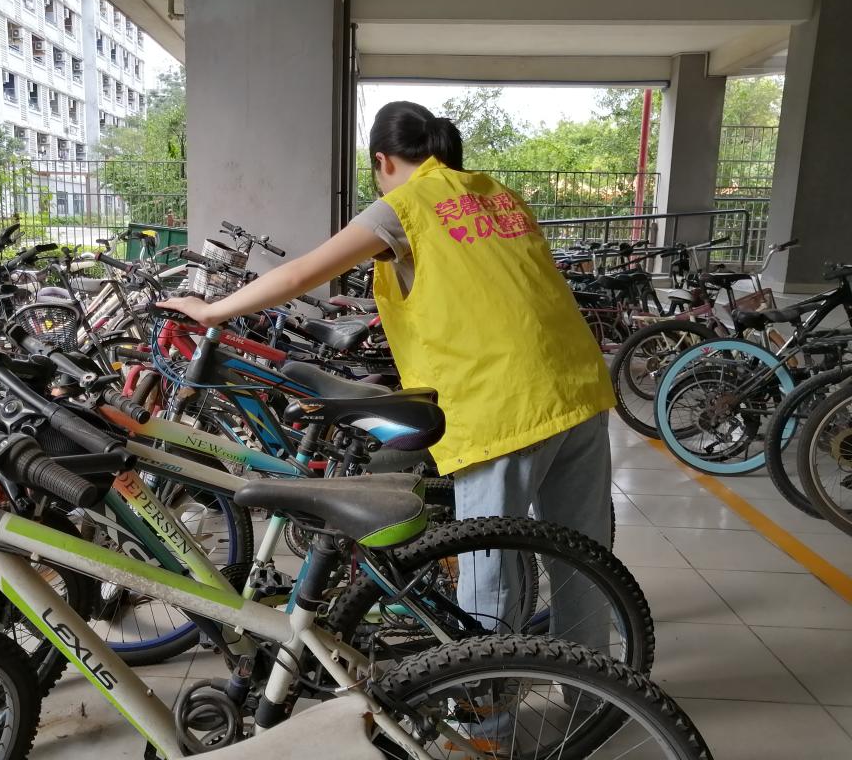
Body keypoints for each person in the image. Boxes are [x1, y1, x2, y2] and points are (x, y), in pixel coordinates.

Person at [158, 99, 615, 658]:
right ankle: (595, 692)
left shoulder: (406, 204)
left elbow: (300, 273)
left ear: (382, 160)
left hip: (504, 404)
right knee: (584, 560)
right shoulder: (495, 192)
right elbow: (481, 283)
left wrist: (210, 311)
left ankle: (485, 706)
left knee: (491, 573)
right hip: (578, 388)